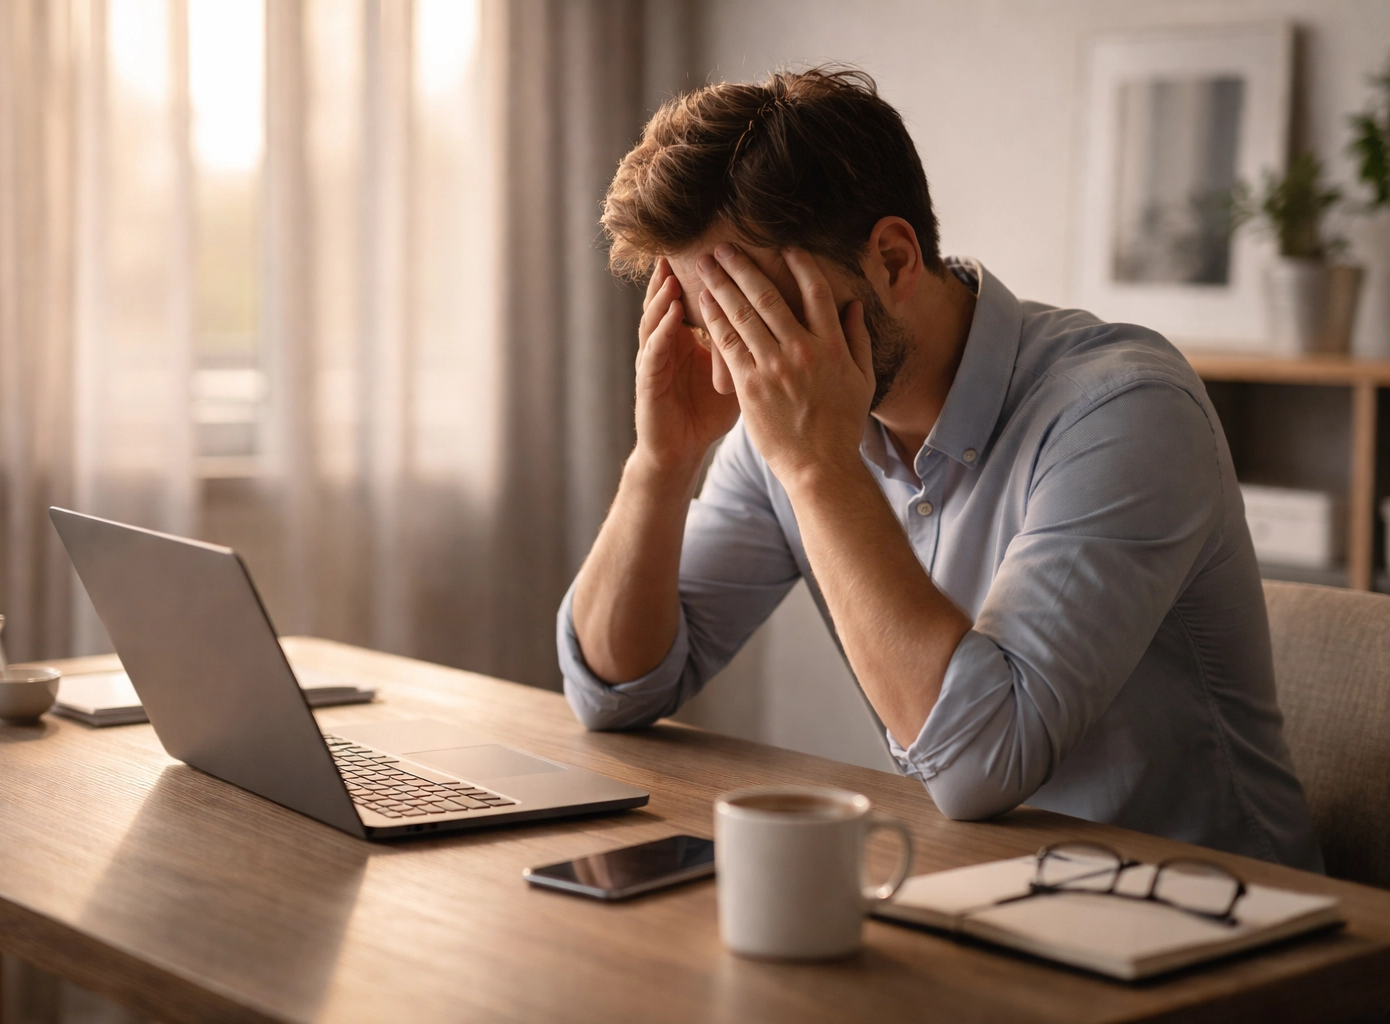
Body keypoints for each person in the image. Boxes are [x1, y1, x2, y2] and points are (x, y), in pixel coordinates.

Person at [555, 66, 1321, 869]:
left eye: (761, 308)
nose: (741, 357)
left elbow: (980, 763)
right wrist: (662, 460)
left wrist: (818, 471)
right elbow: (616, 690)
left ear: (891, 258)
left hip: (1217, 924)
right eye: (710, 311)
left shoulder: (1123, 410)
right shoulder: (788, 418)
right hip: (979, 888)